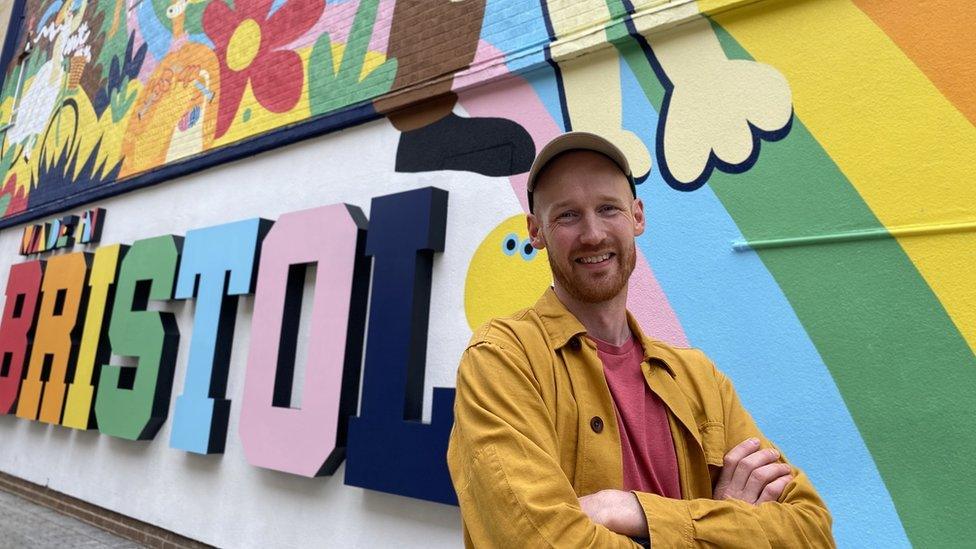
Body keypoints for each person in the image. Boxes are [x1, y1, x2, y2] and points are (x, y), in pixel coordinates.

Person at [447, 132, 835, 547]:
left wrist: (634, 510)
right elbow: (540, 541)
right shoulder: (503, 359)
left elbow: (811, 528)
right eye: (567, 216)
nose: (593, 234)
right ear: (535, 231)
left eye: (608, 208)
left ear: (637, 217)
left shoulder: (698, 378)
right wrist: (727, 522)